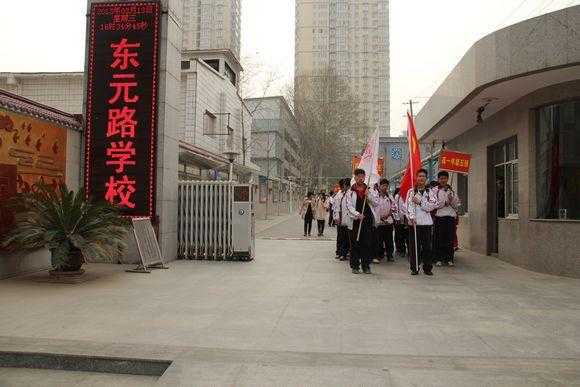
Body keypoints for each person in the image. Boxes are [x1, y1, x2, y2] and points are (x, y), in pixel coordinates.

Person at [406, 169, 439, 276]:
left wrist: (420, 202)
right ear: (416, 177)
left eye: (423, 176)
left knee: (427, 247)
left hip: (426, 224)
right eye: (419, 176)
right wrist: (411, 217)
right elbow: (408, 206)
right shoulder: (411, 192)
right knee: (414, 247)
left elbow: (431, 207)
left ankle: (427, 268)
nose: (421, 178)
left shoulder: (431, 192)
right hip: (414, 224)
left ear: (426, 178)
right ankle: (414, 268)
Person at [347, 169, 375, 274]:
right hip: (355, 221)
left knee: (367, 243)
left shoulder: (369, 190)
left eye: (362, 176)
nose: (361, 178)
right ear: (355, 177)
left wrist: (369, 196)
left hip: (366, 221)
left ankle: (366, 266)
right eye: (358, 176)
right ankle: (355, 266)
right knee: (354, 244)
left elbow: (376, 203)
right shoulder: (350, 191)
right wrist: (357, 215)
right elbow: (348, 206)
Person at [433, 171, 461, 266]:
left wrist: (451, 199)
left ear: (447, 179)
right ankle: (439, 258)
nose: (443, 180)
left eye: (445, 178)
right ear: (438, 179)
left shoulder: (452, 191)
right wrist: (444, 203)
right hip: (440, 218)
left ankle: (449, 259)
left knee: (450, 238)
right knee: (439, 238)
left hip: (450, 218)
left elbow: (457, 205)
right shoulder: (434, 190)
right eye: (441, 178)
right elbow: (433, 205)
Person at [369, 178, 396, 262]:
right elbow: (373, 207)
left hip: (388, 221)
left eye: (386, 186)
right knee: (378, 240)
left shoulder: (390, 196)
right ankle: (378, 255)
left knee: (389, 240)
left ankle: (390, 255)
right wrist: (379, 217)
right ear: (379, 186)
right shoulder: (375, 196)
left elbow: (394, 207)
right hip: (379, 222)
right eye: (383, 185)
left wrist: (388, 214)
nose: (385, 187)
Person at [333, 178, 351, 261]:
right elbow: (335, 207)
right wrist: (336, 217)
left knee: (347, 238)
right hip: (340, 219)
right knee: (340, 237)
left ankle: (345, 253)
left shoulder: (350, 194)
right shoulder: (339, 195)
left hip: (348, 220)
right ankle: (339, 252)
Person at [393, 187, 408, 257]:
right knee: (400, 236)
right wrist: (397, 218)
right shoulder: (397, 196)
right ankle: (401, 250)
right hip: (399, 220)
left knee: (408, 237)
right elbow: (395, 208)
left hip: (408, 220)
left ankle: (410, 252)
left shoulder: (409, 196)